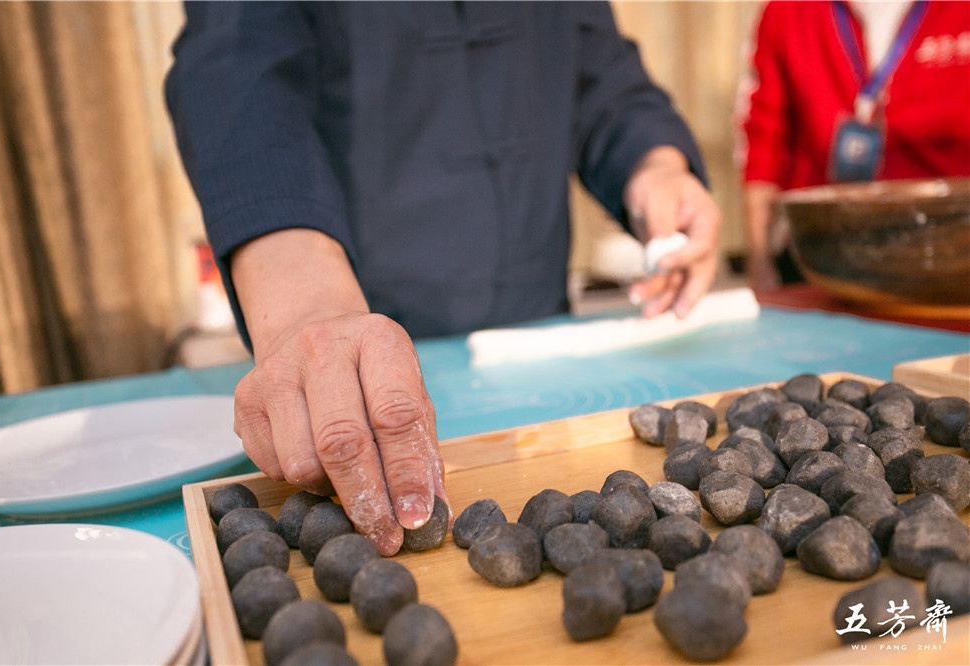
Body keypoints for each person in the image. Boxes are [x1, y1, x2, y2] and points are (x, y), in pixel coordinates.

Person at [166, 1, 721, 555]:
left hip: (535, 340)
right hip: (361, 322)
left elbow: (599, 70)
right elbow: (236, 66)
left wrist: (653, 165)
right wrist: (306, 307)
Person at [739, 0, 970, 292]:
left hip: (951, 250)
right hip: (824, 255)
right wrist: (760, 263)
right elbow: (762, 144)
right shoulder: (787, 11)